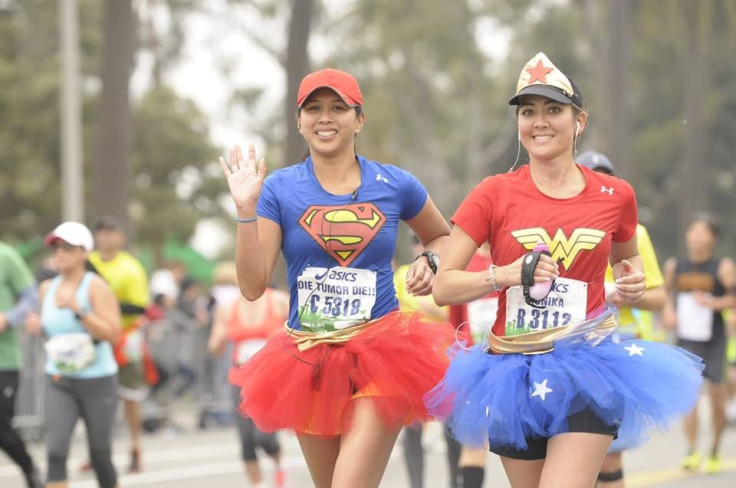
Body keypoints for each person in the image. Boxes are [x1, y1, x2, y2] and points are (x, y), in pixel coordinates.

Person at [424, 52, 704, 488]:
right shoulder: (492, 194)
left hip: (586, 365)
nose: (540, 121)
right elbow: (444, 287)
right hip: (510, 372)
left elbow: (627, 265)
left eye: (554, 109)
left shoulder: (616, 195)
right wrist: (505, 274)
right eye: (528, 111)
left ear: (580, 120)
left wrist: (629, 283)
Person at [219, 67, 455, 488]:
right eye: (313, 108)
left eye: (337, 108)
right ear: (299, 121)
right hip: (307, 356)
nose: (324, 118)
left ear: (358, 119)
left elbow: (440, 235)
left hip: (382, 352)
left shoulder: (395, 183)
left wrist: (431, 262)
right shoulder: (278, 189)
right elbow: (253, 286)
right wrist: (245, 210)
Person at [576, 150, 667, 488]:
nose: (599, 183)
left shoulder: (635, 232)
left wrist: (623, 291)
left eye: (605, 176)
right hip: (572, 348)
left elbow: (659, 298)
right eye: (590, 174)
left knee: (610, 451)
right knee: (575, 451)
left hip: (622, 350)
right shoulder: (559, 227)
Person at [25, 222, 121, 488]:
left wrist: (79, 310)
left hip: (97, 380)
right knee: (55, 452)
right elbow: (55, 334)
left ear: (84, 252)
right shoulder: (47, 288)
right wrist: (39, 327)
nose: (59, 254)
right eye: (56, 248)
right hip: (59, 379)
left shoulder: (96, 286)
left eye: (67, 248)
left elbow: (113, 334)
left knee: (100, 454)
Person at [662, 213, 736, 474]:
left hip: (715, 340)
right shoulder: (675, 265)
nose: (695, 237)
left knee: (717, 399)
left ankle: (714, 448)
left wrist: (712, 303)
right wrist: (669, 312)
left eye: (702, 232)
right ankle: (692, 450)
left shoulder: (722, 267)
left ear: (713, 239)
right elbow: (666, 294)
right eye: (692, 231)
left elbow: (732, 300)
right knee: (689, 396)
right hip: (687, 339)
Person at [208, 268, 289, 488]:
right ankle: (258, 484)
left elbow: (300, 331)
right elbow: (214, 345)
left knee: (264, 436)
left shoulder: (280, 301)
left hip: (270, 378)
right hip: (240, 377)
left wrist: (282, 336)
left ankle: (279, 466)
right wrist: (219, 339)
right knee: (246, 440)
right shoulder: (228, 308)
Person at [394, 235, 461, 488]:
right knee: (412, 428)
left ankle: (456, 481)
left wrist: (430, 305)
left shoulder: (450, 275)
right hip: (411, 360)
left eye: (426, 243)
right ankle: (416, 484)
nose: (421, 248)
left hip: (445, 359)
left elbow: (453, 313)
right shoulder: (402, 274)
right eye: (416, 242)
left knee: (452, 428)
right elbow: (394, 307)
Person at [88, 216, 152, 473]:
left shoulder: (130, 267)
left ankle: (135, 446)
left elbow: (140, 306)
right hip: (96, 335)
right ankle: (98, 450)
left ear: (121, 237)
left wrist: (106, 300)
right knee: (94, 395)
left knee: (129, 396)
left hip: (126, 335)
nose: (105, 238)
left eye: (111, 232)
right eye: (101, 232)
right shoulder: (87, 262)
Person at [446, 243, 498, 488]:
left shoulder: (513, 256)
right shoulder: (464, 262)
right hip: (474, 360)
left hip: (511, 359)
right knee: (474, 442)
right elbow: (455, 319)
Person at [0, 240, 43, 488]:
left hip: (3, 360)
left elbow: (32, 297)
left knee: (2, 429)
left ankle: (29, 468)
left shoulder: (6, 255)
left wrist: (8, 318)